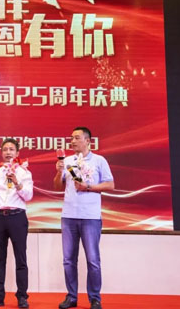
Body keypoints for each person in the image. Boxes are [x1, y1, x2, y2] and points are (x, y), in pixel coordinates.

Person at [54, 127, 115, 309]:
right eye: (71, 138)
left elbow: (110, 184)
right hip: (69, 216)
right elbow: (57, 186)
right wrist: (58, 172)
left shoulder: (99, 160)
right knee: (68, 260)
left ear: (88, 141)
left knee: (93, 260)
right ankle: (71, 297)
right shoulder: (67, 161)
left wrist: (88, 187)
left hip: (90, 217)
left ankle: (95, 298)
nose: (72, 141)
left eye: (77, 138)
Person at [0, 138, 33, 309]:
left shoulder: (24, 173)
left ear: (17, 153)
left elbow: (28, 196)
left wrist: (17, 182)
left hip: (17, 217)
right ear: (1, 153)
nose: (8, 152)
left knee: (21, 258)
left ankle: (22, 296)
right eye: (5, 149)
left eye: (11, 149)